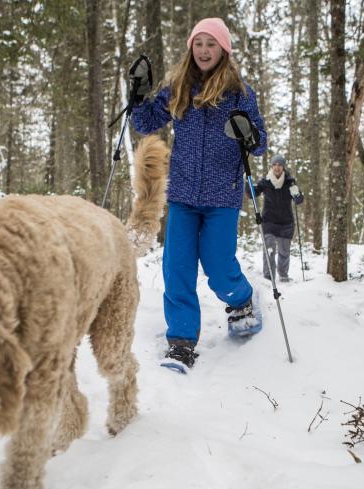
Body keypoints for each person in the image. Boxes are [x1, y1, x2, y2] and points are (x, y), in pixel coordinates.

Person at [129, 18, 268, 372]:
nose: (204, 50)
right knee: (176, 268)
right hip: (183, 194)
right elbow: (146, 123)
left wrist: (249, 135)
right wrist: (138, 94)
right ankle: (181, 341)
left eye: (212, 44)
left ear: (224, 50)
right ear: (191, 47)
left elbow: (260, 144)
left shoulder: (240, 93)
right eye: (199, 43)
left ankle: (243, 300)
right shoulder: (178, 86)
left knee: (219, 267)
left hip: (223, 195)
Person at [247, 154, 304, 282]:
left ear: (283, 167)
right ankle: (268, 276)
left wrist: (297, 194)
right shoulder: (266, 182)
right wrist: (248, 186)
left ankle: (283, 275)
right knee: (269, 250)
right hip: (269, 222)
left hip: (286, 223)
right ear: (272, 167)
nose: (277, 167)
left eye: (279, 165)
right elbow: (253, 194)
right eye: (274, 165)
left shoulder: (290, 182)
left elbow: (299, 200)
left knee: (284, 252)